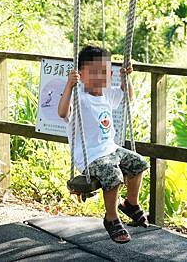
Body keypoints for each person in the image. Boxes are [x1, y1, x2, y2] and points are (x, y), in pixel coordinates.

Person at [58, 45, 149, 244]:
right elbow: (63, 113)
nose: (100, 77)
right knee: (113, 173)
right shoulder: (79, 98)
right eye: (94, 72)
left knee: (139, 163)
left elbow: (128, 96)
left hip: (111, 149)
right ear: (81, 74)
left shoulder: (107, 95)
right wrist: (68, 86)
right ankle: (111, 217)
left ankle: (130, 204)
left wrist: (127, 78)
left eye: (104, 72)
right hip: (90, 156)